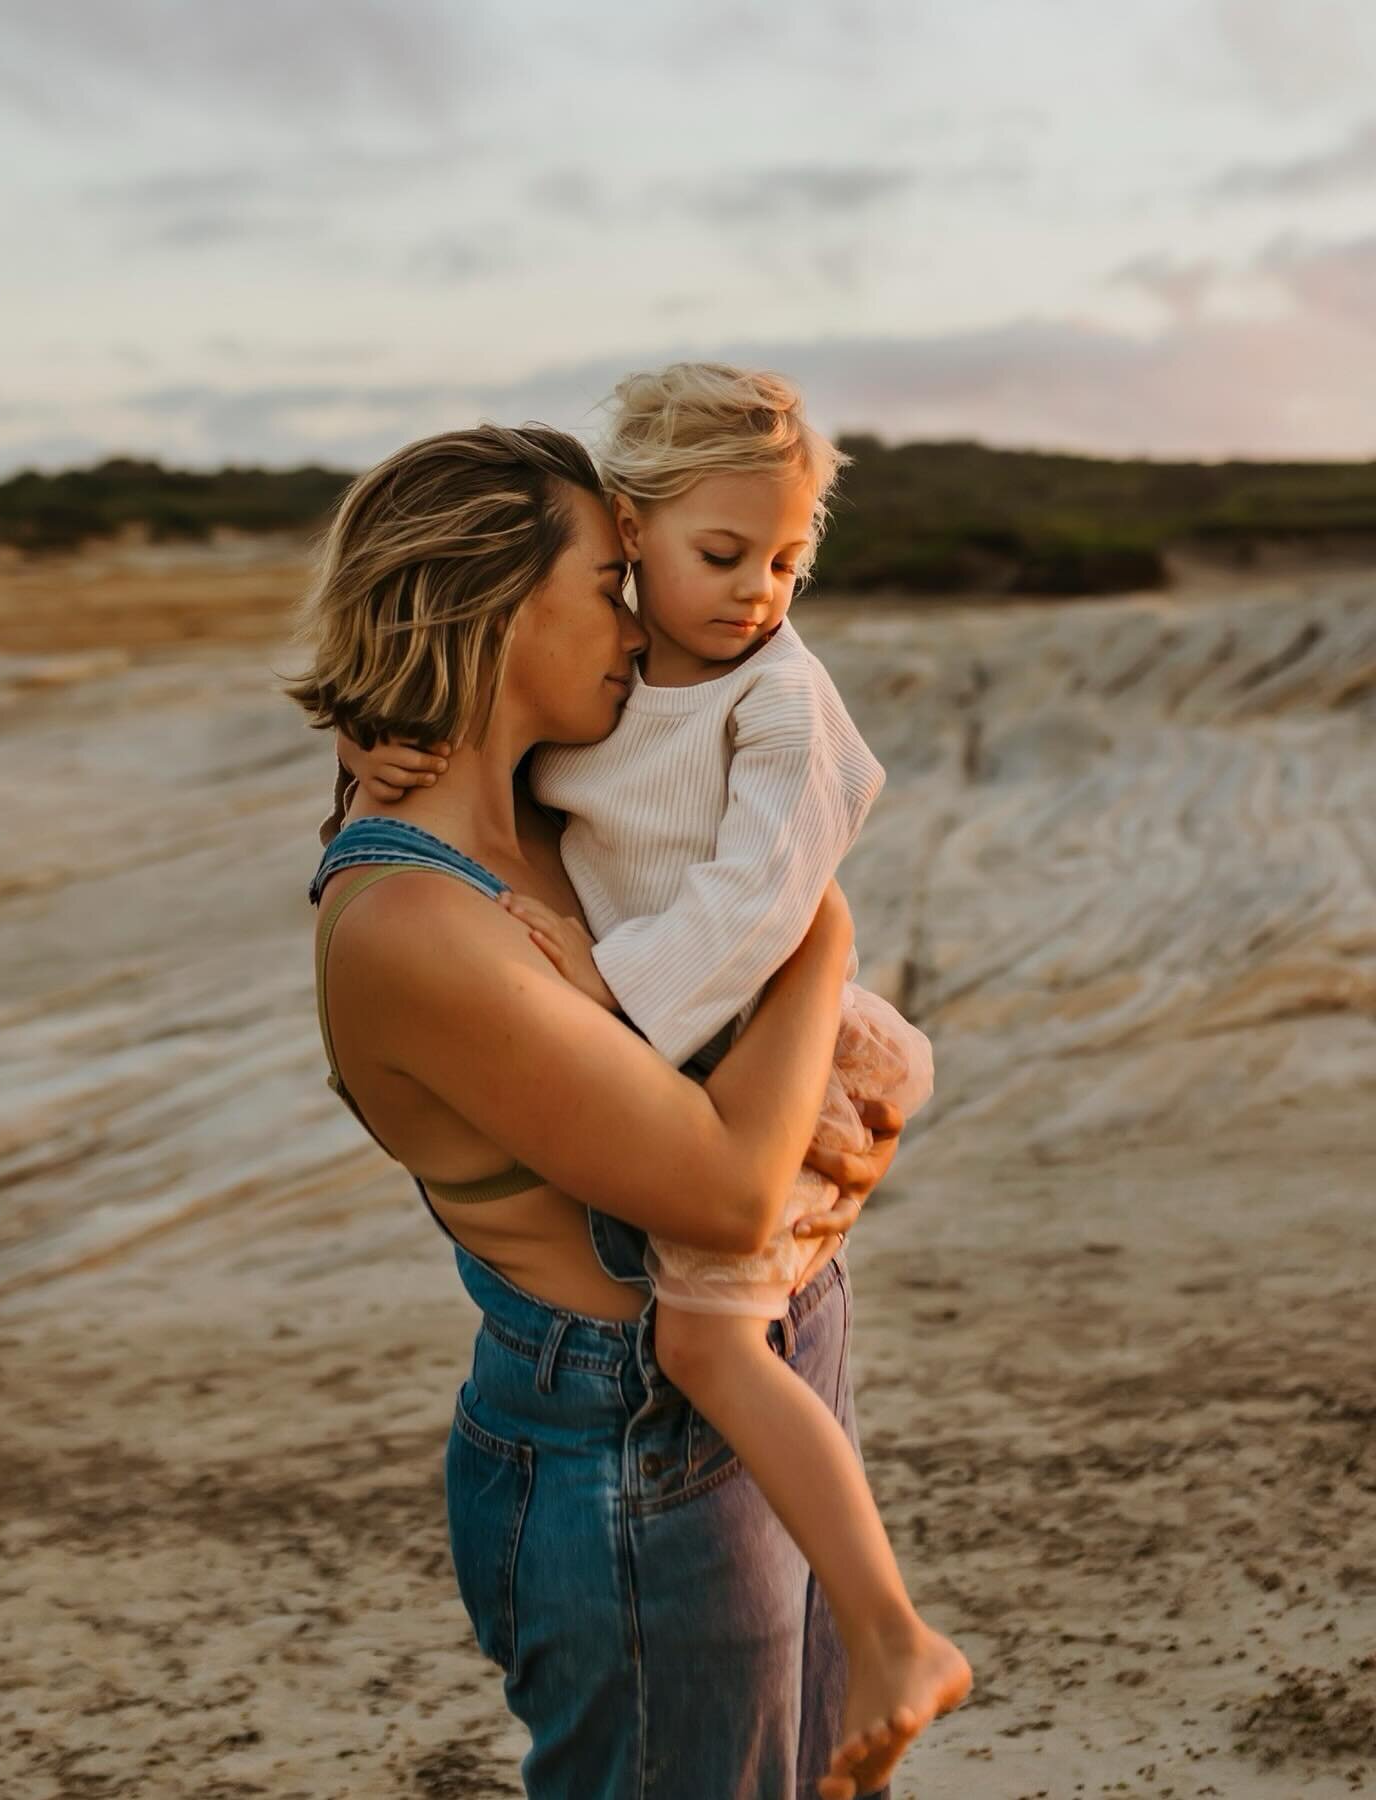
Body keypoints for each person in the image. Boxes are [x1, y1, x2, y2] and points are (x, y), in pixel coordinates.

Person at [333, 364, 970, 1797]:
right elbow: (731, 1193)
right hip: (626, 1434)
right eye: (613, 581)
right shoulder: (411, 916)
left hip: (754, 1357)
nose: (644, 619)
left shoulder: (551, 782)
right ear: (501, 613)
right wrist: (829, 939)